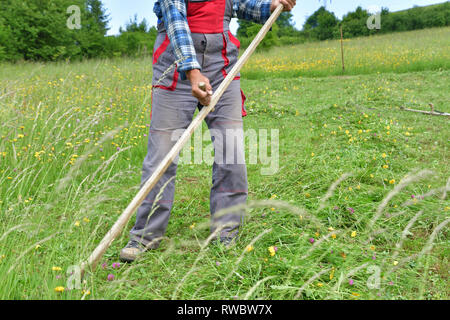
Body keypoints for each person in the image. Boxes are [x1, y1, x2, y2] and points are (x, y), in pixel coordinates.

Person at [120, 0, 296, 262]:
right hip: (175, 65)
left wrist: (270, 6)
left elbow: (239, 4)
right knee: (162, 156)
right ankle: (146, 236)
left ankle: (227, 232)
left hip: (221, 64)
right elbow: (176, 22)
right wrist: (192, 71)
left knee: (231, 152)